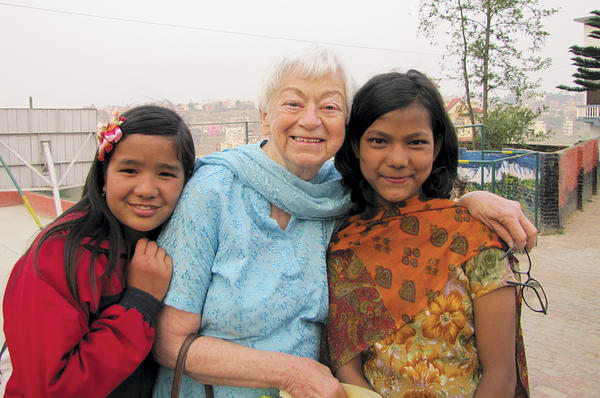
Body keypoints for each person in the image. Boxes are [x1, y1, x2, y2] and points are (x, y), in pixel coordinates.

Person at [151, 48, 536, 398]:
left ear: (345, 127)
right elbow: (169, 343)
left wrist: (470, 201)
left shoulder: (339, 199)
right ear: (265, 114)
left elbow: (413, 211)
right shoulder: (213, 194)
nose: (311, 120)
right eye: (293, 102)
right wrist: (289, 373)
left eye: (330, 107)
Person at [327, 70, 529, 397]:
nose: (397, 159)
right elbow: (346, 363)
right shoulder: (345, 243)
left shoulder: (474, 238)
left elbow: (501, 377)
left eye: (416, 142)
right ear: (355, 146)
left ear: (436, 148)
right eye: (378, 141)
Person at [2, 105, 196, 398]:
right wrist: (140, 302)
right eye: (129, 170)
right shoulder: (60, 256)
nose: (146, 188)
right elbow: (50, 389)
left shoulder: (175, 243)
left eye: (166, 174)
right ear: (104, 176)